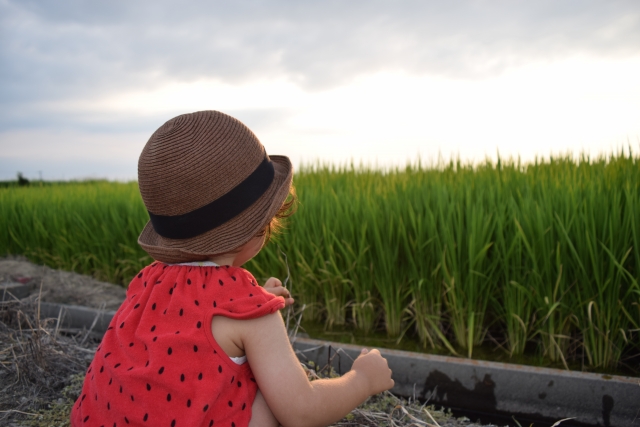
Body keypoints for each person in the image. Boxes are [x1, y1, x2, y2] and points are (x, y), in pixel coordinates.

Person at [70, 110, 394, 427]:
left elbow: (191, 324)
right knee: (267, 400)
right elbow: (302, 411)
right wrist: (362, 379)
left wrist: (255, 299)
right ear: (259, 226)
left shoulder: (148, 280)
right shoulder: (251, 315)